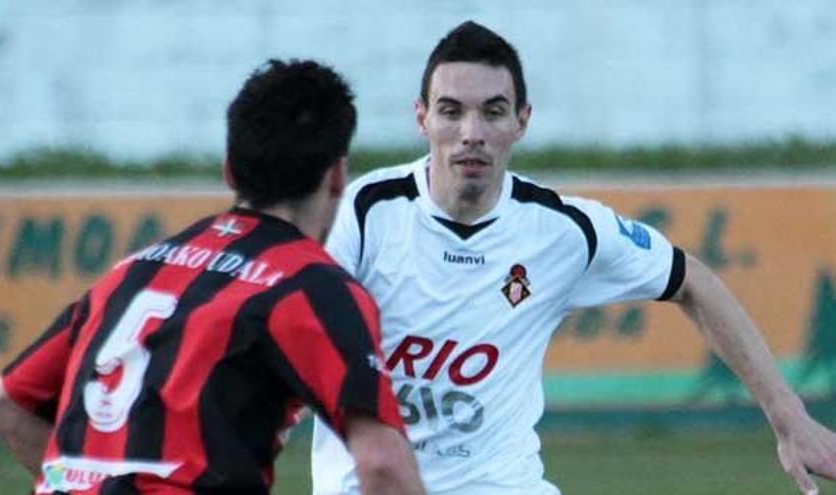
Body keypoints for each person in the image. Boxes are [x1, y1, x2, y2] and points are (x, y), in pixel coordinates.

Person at [310, 20, 836, 495]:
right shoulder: (368, 210)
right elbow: (300, 334)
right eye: (451, 111)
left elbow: (691, 279)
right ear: (422, 118)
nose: (471, 132)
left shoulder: (564, 230)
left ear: (522, 121)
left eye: (493, 112)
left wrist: (788, 416)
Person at [0, 59, 425, 495]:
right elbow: (383, 465)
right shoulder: (308, 284)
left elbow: (5, 408)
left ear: (229, 168)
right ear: (336, 176)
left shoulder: (135, 270)